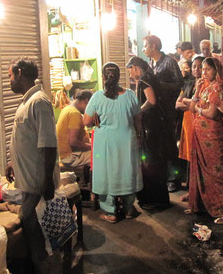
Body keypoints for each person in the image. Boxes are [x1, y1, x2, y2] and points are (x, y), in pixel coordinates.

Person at [5, 57, 60, 274]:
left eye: (10, 75)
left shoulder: (39, 102)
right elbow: (26, 138)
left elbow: (48, 145)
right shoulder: (27, 101)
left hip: (37, 180)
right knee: (30, 221)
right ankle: (41, 271)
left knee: (32, 220)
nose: (9, 81)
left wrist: (47, 180)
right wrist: (12, 162)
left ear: (20, 73)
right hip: (28, 177)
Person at [83, 63, 143, 223]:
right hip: (127, 140)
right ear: (118, 77)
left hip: (105, 143)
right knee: (127, 171)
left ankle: (111, 212)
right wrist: (138, 136)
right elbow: (138, 118)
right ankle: (129, 209)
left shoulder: (97, 97)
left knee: (107, 173)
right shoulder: (130, 95)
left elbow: (86, 121)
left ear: (103, 77)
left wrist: (96, 114)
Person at [187, 57, 223, 224]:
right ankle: (199, 205)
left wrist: (200, 109)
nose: (204, 72)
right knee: (199, 169)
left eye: (208, 69)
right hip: (200, 134)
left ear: (216, 70)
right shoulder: (205, 87)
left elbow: (211, 114)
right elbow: (192, 107)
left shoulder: (218, 87)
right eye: (203, 69)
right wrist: (197, 89)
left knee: (217, 171)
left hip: (212, 136)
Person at [126, 56, 170, 209]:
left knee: (150, 162)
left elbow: (151, 101)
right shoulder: (148, 76)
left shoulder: (145, 78)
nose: (130, 74)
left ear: (136, 67)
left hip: (152, 127)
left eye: (130, 70)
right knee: (153, 162)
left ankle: (153, 199)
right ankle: (156, 198)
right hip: (155, 125)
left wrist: (138, 111)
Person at [143, 35, 184, 192]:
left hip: (167, 110)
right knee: (158, 144)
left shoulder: (169, 62)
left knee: (170, 144)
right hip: (155, 111)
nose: (144, 49)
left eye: (145, 45)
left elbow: (179, 83)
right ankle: (162, 177)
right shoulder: (149, 64)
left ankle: (174, 179)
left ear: (154, 46)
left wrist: (160, 85)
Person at [175, 56, 204, 202]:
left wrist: (189, 103)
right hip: (187, 124)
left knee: (199, 159)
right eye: (194, 67)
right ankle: (190, 190)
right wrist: (190, 103)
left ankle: (200, 192)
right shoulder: (187, 84)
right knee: (189, 159)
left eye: (200, 67)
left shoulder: (206, 86)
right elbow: (177, 104)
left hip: (200, 125)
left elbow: (200, 106)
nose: (197, 70)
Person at [56, 89, 93, 176]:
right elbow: (73, 142)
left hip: (66, 155)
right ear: (86, 101)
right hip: (70, 157)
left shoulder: (67, 109)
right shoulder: (74, 114)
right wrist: (91, 146)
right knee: (100, 156)